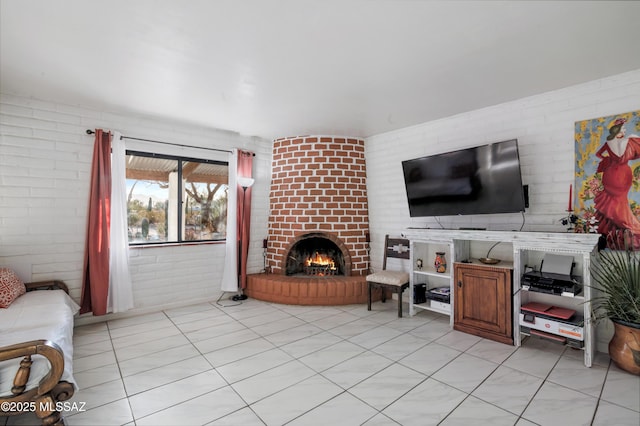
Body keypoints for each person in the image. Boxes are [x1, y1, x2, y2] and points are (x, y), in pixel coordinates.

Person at [593, 117, 640, 242]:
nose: (625, 131)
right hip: (624, 174)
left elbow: (598, 154)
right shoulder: (629, 140)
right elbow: (635, 153)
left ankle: (611, 230)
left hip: (610, 174)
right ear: (618, 130)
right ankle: (626, 224)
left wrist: (607, 159)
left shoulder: (608, 142)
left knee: (612, 200)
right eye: (623, 128)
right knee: (621, 200)